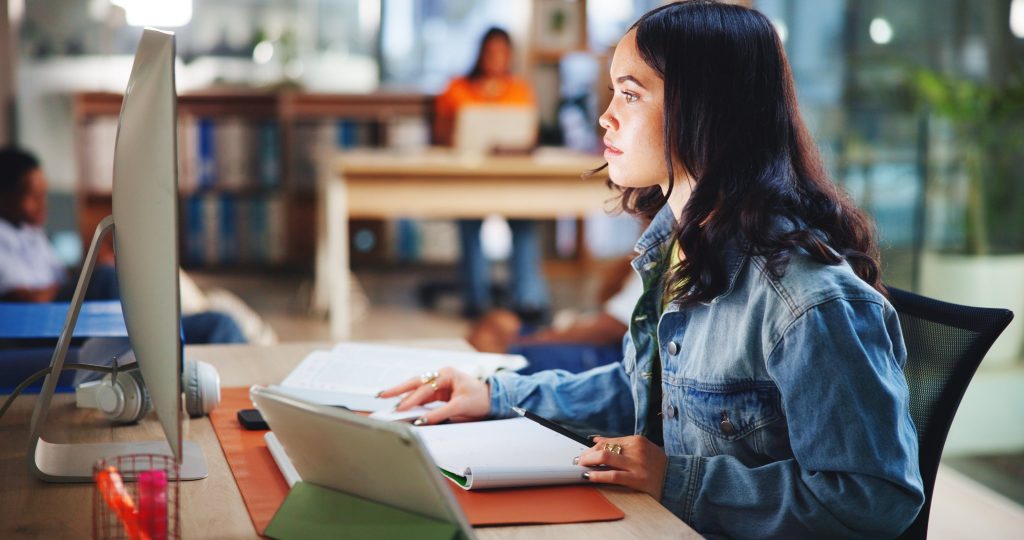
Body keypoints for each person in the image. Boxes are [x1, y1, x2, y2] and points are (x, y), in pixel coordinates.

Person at [381, 2, 925, 537]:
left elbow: (872, 500)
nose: (605, 115)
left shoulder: (809, 303)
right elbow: (645, 392)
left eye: (630, 93)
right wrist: (496, 395)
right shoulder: (679, 248)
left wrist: (676, 479)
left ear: (704, 109)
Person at [0, 146, 246, 345]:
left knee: (221, 323)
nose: (44, 205)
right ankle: (157, 335)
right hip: (49, 326)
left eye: (44, 195)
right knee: (107, 277)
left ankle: (164, 325)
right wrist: (91, 278)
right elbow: (27, 301)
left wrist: (91, 267)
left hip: (80, 317)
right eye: (33, 196)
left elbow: (62, 281)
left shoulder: (30, 234)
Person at [434, 27, 551, 320]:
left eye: (502, 52)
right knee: (470, 221)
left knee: (524, 221)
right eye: (491, 52)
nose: (496, 58)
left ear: (510, 56)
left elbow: (529, 136)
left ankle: (527, 299)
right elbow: (439, 134)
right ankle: (477, 300)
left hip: (511, 177)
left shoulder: (519, 90)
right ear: (480, 53)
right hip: (467, 177)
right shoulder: (456, 89)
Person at [467, 256, 641, 374]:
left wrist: (540, 338)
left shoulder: (662, 254)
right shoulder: (647, 251)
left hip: (607, 355)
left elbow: (610, 328)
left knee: (490, 343)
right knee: (497, 321)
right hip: (588, 329)